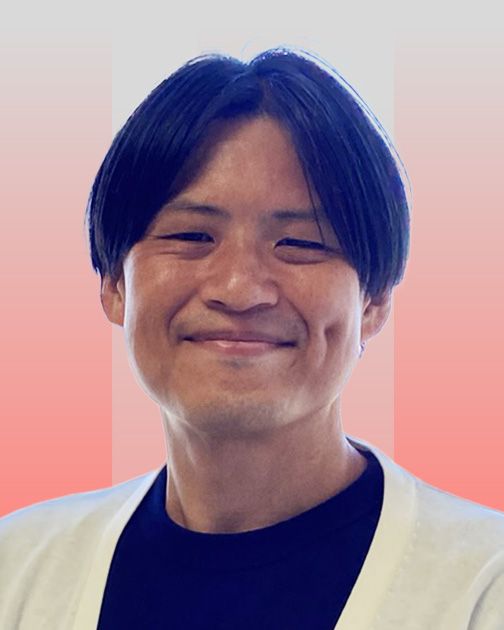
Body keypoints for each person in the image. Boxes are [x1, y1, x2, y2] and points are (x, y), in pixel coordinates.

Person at [1, 47, 503, 630]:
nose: (239, 289)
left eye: (300, 244)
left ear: (375, 300)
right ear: (114, 285)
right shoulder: (19, 569)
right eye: (192, 236)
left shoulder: (481, 583)